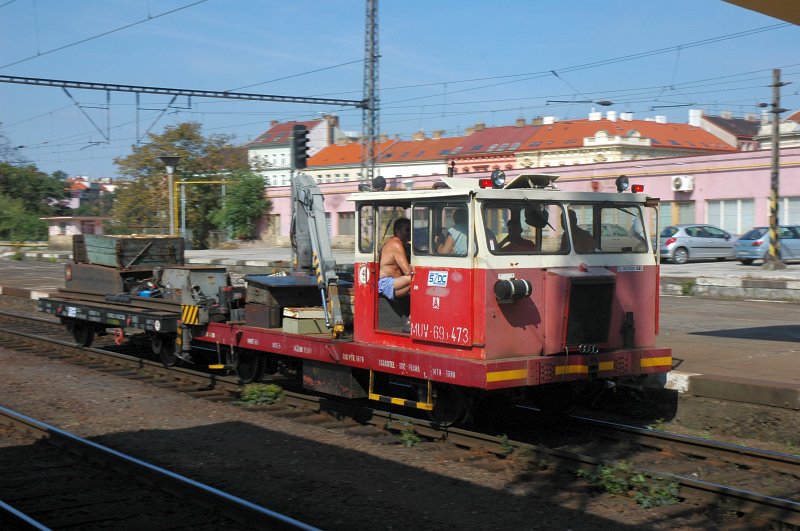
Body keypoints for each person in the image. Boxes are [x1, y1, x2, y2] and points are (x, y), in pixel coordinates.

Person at [378, 218, 413, 299]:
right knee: (416, 278)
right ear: (397, 231)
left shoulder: (400, 243)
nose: (410, 233)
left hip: (394, 283)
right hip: (387, 284)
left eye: (411, 230)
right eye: (407, 230)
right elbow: (407, 271)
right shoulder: (396, 243)